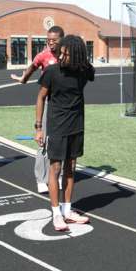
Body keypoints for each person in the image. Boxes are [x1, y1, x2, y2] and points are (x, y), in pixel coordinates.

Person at [35, 35, 94, 231]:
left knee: (71, 168)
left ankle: (68, 211)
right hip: (57, 126)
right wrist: (38, 127)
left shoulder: (83, 72)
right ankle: (56, 213)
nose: (61, 57)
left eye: (66, 54)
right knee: (56, 169)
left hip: (76, 126)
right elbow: (41, 98)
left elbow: (90, 68)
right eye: (60, 53)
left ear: (76, 55)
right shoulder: (52, 72)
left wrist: (80, 52)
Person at [11, 25, 64, 192]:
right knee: (43, 141)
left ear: (62, 39)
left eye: (54, 40)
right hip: (49, 101)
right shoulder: (43, 55)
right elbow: (32, 67)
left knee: (62, 143)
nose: (50, 43)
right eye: (48, 40)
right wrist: (23, 79)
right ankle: (41, 178)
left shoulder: (67, 55)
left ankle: (58, 176)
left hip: (64, 104)